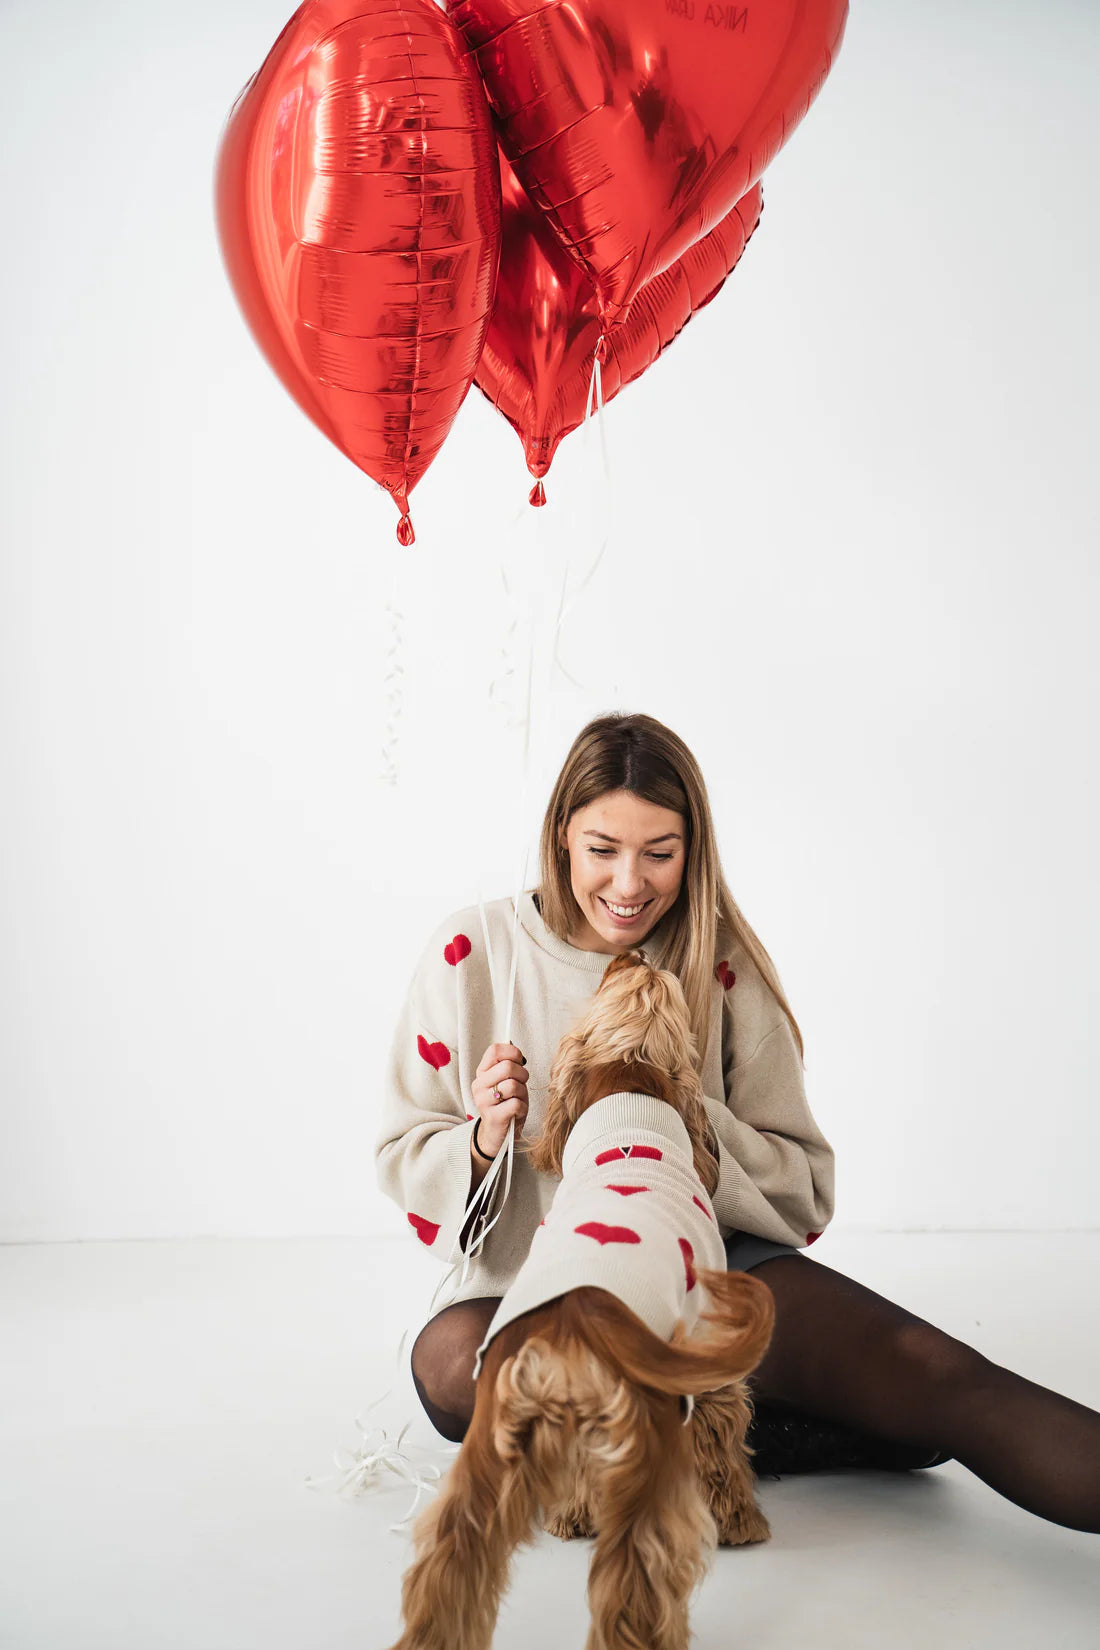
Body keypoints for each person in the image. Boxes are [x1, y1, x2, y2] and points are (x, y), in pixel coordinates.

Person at [375, 713, 1100, 1531]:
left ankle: (717, 1415)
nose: (628, 884)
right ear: (561, 837)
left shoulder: (719, 963)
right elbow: (402, 1150)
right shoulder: (474, 953)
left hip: (704, 1268)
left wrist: (671, 1116)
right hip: (534, 1279)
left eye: (660, 853)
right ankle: (726, 1429)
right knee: (447, 1368)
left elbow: (804, 1186)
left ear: (693, 850)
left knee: (937, 1376)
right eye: (602, 849)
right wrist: (483, 1140)